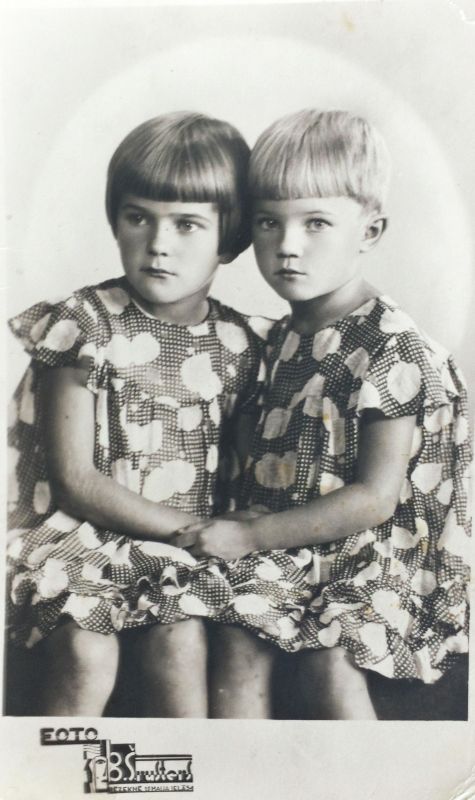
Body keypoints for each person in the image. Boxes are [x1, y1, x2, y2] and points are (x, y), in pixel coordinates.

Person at [174, 109, 472, 719]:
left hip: (382, 558)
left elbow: (374, 500)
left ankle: (363, 769)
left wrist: (251, 536)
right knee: (234, 628)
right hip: (299, 546)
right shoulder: (281, 337)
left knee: (328, 654)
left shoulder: (390, 345)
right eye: (269, 222)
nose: (287, 246)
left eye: (316, 223)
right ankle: (236, 766)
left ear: (369, 231)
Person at [6, 111, 269, 717]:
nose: (158, 243)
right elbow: (76, 481)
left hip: (178, 553)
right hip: (77, 539)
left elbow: (244, 472)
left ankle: (193, 764)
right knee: (86, 650)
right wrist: (190, 531)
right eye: (138, 217)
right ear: (115, 221)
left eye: (187, 224)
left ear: (230, 240)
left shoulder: (241, 345)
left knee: (181, 638)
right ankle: (47, 765)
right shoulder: (86, 324)